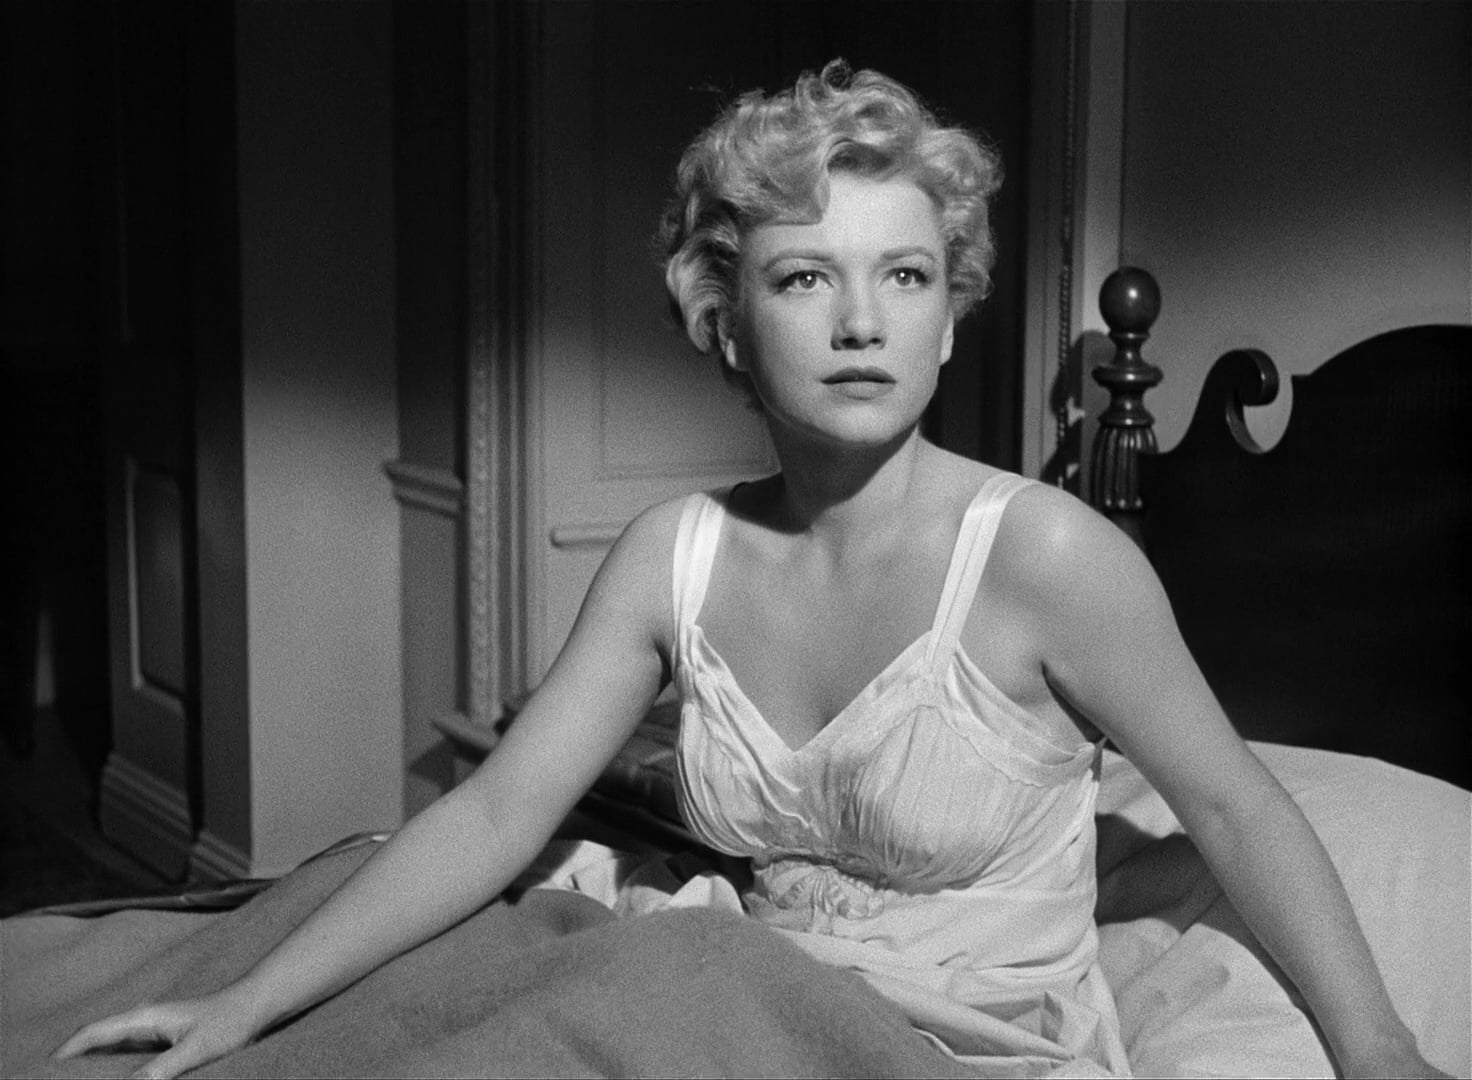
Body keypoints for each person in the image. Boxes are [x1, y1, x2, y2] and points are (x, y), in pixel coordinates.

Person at [55, 60, 1443, 1079]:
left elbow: (1234, 806)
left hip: (958, 1049)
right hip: (738, 997)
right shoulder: (675, 554)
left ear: (951, 317)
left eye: (905, 276)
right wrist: (251, 1003)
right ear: (726, 322)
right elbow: (496, 814)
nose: (861, 323)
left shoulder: (1045, 553)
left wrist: (1377, 1048)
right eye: (804, 279)